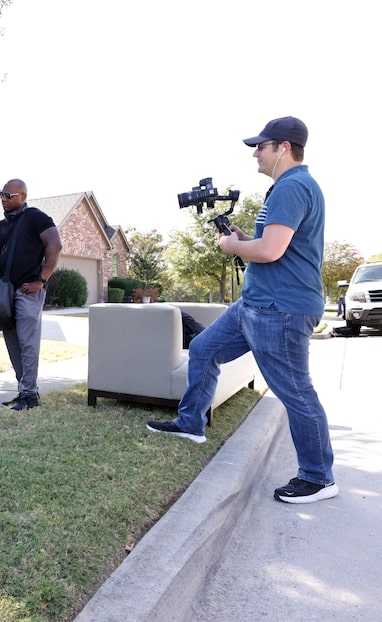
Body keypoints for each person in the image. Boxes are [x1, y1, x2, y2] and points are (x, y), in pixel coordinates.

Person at [147, 116, 338, 504]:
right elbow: (270, 243)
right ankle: (190, 424)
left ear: (283, 148)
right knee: (203, 348)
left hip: (280, 310)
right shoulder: (287, 187)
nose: (255, 153)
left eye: (261, 146)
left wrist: (234, 248)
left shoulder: (294, 186)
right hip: (254, 303)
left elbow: (269, 252)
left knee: (296, 393)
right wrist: (244, 239)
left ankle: (318, 477)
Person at [0, 179, 62, 411]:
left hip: (27, 291)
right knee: (12, 343)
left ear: (22, 196)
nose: (3, 198)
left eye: (8, 195)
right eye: (1, 194)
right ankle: (23, 390)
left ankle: (30, 395)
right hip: (5, 294)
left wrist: (41, 280)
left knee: (27, 343)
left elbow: (55, 244)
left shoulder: (36, 217)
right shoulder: (2, 226)